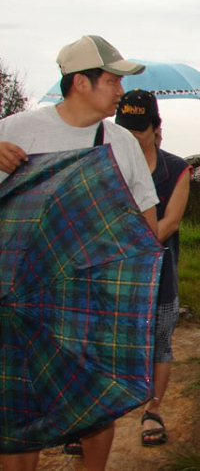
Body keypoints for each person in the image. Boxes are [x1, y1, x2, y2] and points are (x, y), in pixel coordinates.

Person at [0, 35, 158, 471]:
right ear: (80, 83)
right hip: (19, 294)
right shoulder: (15, 130)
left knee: (93, 393)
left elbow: (144, 215)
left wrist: (139, 280)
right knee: (18, 403)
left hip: (88, 291)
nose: (121, 92)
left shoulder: (119, 141)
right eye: (112, 81)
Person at [115, 89, 191, 449]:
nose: (131, 136)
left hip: (157, 271)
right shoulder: (106, 164)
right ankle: (99, 417)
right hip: (112, 271)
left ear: (156, 127)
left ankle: (154, 408)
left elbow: (170, 222)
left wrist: (130, 249)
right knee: (110, 340)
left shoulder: (176, 169)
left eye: (139, 128)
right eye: (124, 127)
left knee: (159, 340)